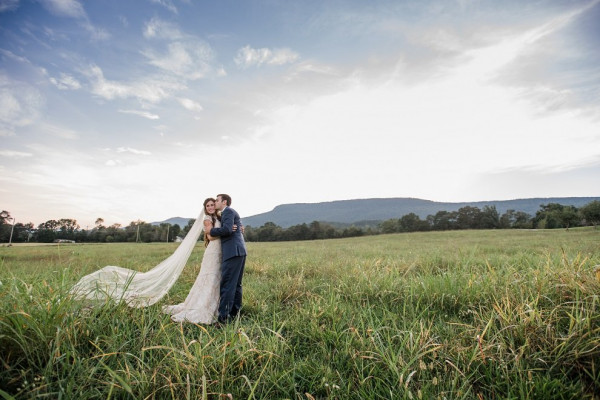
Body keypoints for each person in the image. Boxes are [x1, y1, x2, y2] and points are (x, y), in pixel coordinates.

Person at [163, 198, 222, 324]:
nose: (211, 207)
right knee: (209, 278)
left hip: (221, 252)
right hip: (213, 252)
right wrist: (226, 232)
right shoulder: (207, 219)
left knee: (217, 279)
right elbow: (210, 236)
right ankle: (203, 307)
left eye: (212, 205)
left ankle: (216, 306)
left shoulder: (218, 217)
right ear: (205, 208)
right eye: (208, 206)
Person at [209, 194, 247, 324]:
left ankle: (223, 318)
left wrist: (212, 231)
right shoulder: (229, 212)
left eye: (217, 200)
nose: (215, 202)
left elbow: (227, 230)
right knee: (236, 284)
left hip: (232, 251)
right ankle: (235, 313)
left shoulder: (228, 211)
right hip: (239, 251)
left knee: (227, 285)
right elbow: (230, 228)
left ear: (224, 202)